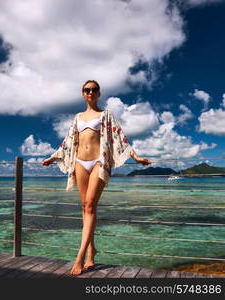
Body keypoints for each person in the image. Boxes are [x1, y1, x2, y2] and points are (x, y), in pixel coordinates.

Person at [41, 80, 152, 276]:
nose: (90, 92)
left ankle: (80, 257)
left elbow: (120, 137)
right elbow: (68, 141)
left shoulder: (105, 115)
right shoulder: (77, 117)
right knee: (85, 208)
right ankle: (92, 251)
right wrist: (53, 157)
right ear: (83, 94)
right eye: (87, 90)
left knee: (91, 205)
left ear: (99, 93)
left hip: (98, 162)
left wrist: (136, 157)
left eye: (94, 89)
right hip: (79, 163)